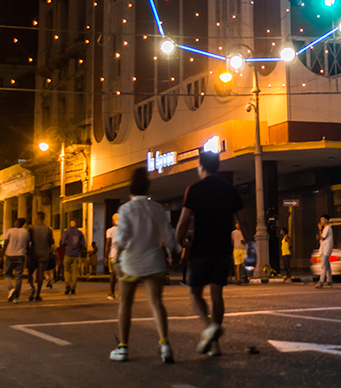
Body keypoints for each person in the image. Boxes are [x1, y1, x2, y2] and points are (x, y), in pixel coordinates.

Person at [174, 148, 243, 357]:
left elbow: (184, 221)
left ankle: (209, 328)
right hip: (223, 248)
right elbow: (243, 219)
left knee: (195, 292)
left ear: (201, 167)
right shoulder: (230, 190)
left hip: (201, 248)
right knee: (217, 294)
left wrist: (176, 245)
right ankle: (214, 343)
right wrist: (247, 241)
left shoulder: (193, 189)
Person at [110, 168, 181, 364]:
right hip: (155, 261)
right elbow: (169, 237)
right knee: (156, 302)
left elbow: (122, 238)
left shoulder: (125, 209)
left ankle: (123, 347)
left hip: (130, 262)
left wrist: (117, 259)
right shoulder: (157, 208)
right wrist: (174, 253)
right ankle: (165, 344)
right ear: (148, 189)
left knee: (125, 302)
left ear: (130, 191)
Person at [28, 211, 55, 301]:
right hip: (44, 253)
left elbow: (29, 240)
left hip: (34, 253)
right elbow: (51, 242)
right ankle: (38, 294)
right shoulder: (48, 229)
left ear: (38, 218)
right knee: (41, 273)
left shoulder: (32, 228)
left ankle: (32, 287)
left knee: (30, 271)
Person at [2, 218, 29, 303]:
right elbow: (28, 245)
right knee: (18, 276)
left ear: (17, 223)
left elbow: (5, 243)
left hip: (10, 255)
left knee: (7, 273)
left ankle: (11, 289)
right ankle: (17, 297)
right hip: (21, 255)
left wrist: (2, 254)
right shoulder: (26, 232)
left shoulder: (10, 231)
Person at [60, 219, 86, 295]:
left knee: (66, 270)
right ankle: (73, 288)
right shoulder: (80, 233)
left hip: (68, 253)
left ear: (70, 224)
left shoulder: (66, 232)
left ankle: (68, 285)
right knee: (75, 272)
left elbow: (62, 242)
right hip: (76, 254)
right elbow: (83, 244)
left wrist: (66, 245)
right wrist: (78, 247)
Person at [315, 214, 334, 289]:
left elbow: (323, 237)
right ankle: (329, 281)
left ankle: (321, 281)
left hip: (326, 249)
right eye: (320, 220)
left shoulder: (327, 228)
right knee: (327, 266)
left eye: (322, 220)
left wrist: (319, 229)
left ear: (326, 220)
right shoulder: (325, 228)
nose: (321, 221)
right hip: (324, 249)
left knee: (323, 266)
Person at [104, 212, 119, 300]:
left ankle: (112, 293)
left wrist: (106, 257)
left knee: (112, 275)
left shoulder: (110, 231)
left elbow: (108, 244)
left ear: (113, 221)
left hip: (113, 255)